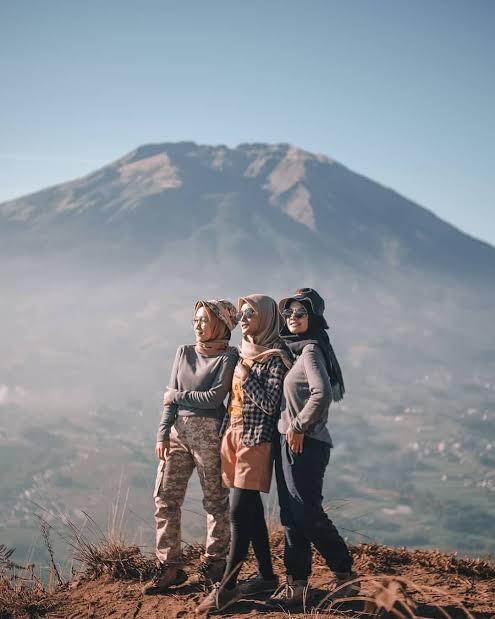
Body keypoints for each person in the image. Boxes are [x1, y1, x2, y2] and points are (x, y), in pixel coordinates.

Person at [196, 294, 292, 615]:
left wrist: (247, 372)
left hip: (256, 441)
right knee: (250, 513)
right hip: (234, 436)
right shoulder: (245, 353)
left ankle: (227, 587)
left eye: (251, 313)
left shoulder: (275, 358)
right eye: (244, 313)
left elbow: (268, 403)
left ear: (265, 318)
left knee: (238, 512)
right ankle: (266, 576)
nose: (245, 318)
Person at [267, 287, 357, 609]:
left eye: (300, 313)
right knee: (291, 514)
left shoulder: (310, 351)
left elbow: (322, 394)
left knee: (307, 513)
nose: (292, 317)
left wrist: (297, 425)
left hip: (306, 443)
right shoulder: (293, 350)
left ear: (314, 317)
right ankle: (297, 585)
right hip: (287, 443)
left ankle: (345, 574)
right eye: (288, 312)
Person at [143, 299, 239, 595]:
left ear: (221, 325)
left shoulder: (228, 357)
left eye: (204, 320)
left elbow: (213, 399)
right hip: (176, 434)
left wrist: (175, 395)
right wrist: (161, 434)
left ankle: (214, 565)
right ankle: (169, 566)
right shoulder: (183, 352)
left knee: (214, 502)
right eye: (195, 320)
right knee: (165, 498)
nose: (197, 325)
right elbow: (168, 402)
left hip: (211, 436)